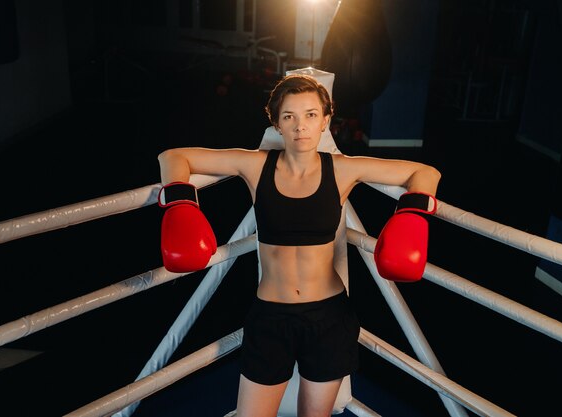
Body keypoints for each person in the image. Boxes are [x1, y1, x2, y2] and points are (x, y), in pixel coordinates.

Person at [157, 74, 441, 417]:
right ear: (276, 123)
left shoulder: (343, 170)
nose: (300, 126)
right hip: (270, 318)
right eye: (289, 116)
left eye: (310, 115)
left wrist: (411, 216)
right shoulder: (254, 164)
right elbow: (173, 157)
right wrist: (181, 204)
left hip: (329, 318)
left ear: (325, 121)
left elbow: (425, 173)